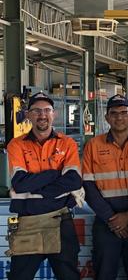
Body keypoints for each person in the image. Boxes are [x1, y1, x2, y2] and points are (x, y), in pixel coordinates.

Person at [6, 92, 83, 280]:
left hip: (61, 220)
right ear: (29, 115)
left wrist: (37, 184)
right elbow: (20, 183)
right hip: (28, 222)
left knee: (69, 276)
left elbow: (73, 180)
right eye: (37, 110)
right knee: (19, 277)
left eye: (47, 110)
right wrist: (55, 173)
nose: (42, 115)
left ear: (53, 114)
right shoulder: (16, 145)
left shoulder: (67, 143)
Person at [82, 94, 128, 280]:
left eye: (123, 113)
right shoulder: (93, 146)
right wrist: (112, 219)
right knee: (104, 273)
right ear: (106, 117)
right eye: (114, 113)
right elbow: (88, 185)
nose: (119, 117)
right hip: (106, 223)